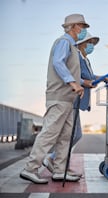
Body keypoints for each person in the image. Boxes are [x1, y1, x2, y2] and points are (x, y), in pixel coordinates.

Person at [20, 14, 89, 184]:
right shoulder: (63, 42)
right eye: (81, 26)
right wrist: (73, 83)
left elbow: (70, 72)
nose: (84, 30)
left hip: (68, 99)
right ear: (73, 27)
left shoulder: (72, 46)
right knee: (49, 133)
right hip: (59, 97)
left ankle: (60, 170)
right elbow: (58, 63)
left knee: (65, 137)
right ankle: (30, 168)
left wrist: (84, 82)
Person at [42, 32, 105, 175]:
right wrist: (86, 82)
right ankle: (55, 160)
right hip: (74, 97)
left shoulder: (85, 60)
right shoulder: (76, 57)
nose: (91, 46)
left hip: (78, 99)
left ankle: (60, 164)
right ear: (81, 44)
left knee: (72, 135)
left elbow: (89, 77)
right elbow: (76, 76)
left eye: (93, 43)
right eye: (90, 42)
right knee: (73, 135)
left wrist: (101, 78)